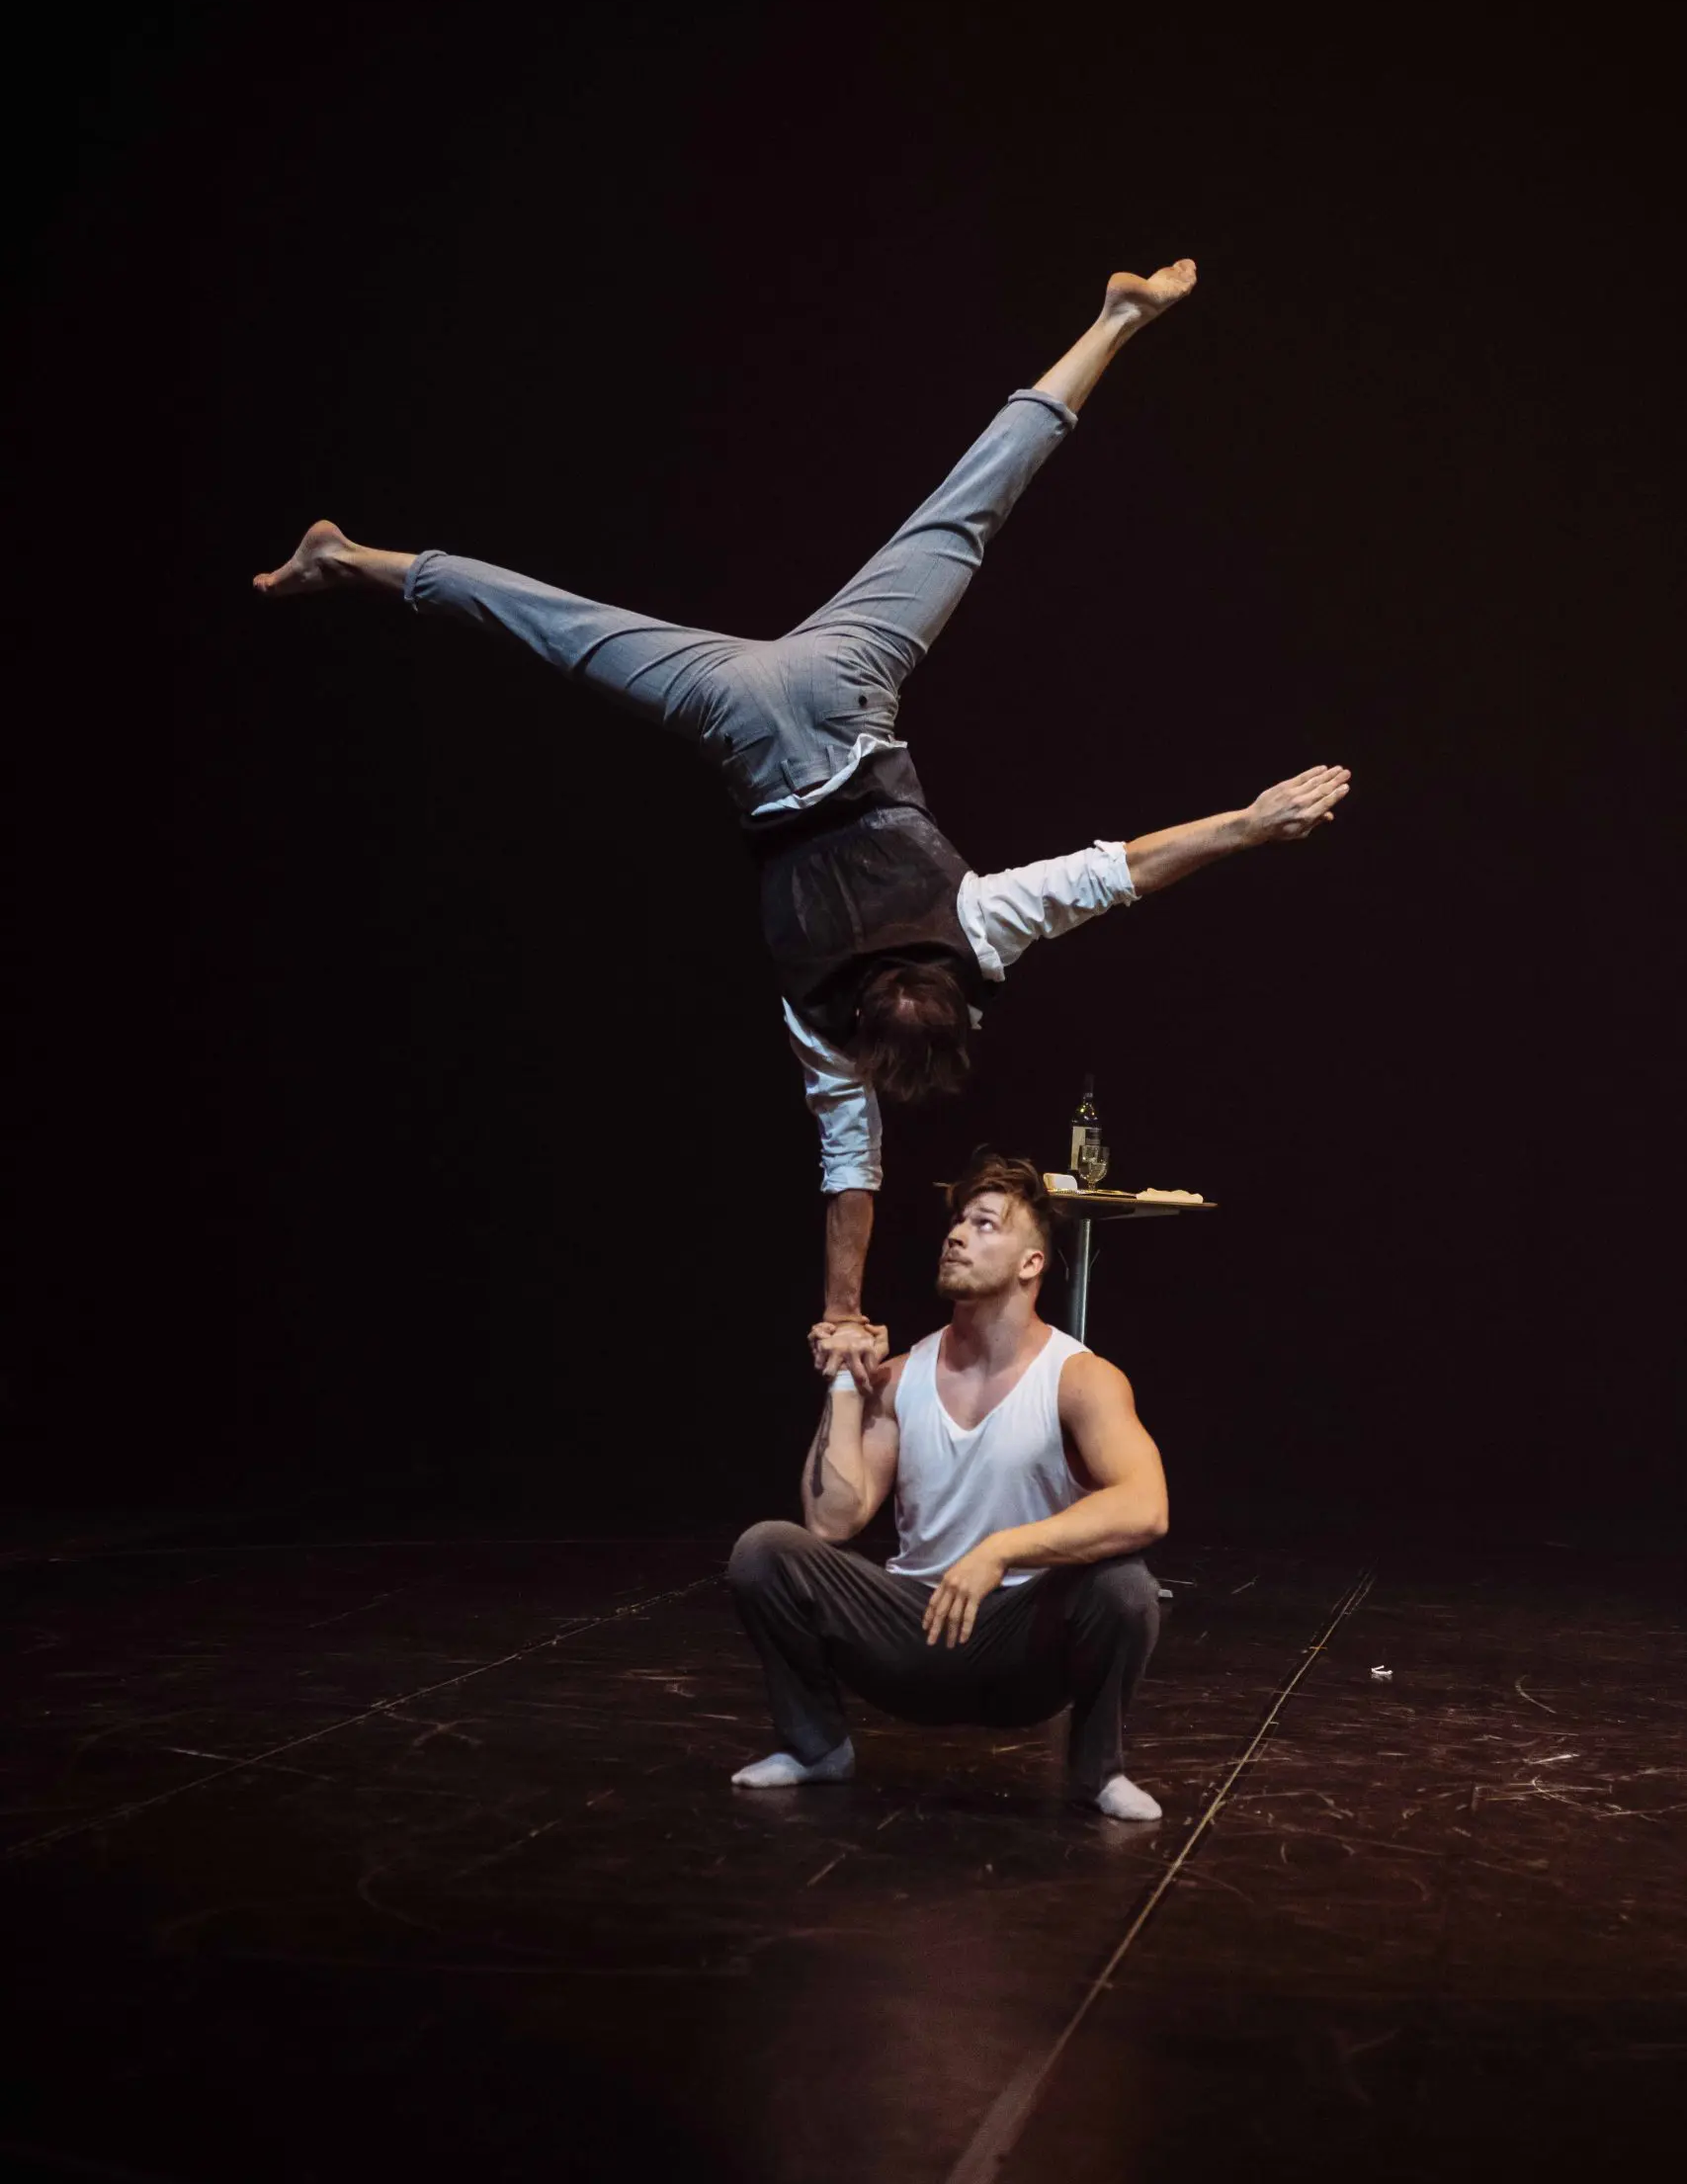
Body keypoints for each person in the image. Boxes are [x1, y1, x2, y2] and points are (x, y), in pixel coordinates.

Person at [253, 264, 1350, 1363]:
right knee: (563, 629)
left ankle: (1113, 320)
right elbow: (849, 1173)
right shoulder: (822, 1020)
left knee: (967, 509)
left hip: (846, 685)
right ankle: (350, 561)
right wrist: (837, 1304)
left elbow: (1121, 868)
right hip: (744, 723)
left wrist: (1249, 824)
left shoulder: (975, 929)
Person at [726, 1151, 1169, 1821]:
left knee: (1125, 1588)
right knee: (765, 1549)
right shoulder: (902, 1375)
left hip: (1023, 1647)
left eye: (986, 1224)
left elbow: (1146, 1505)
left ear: (1031, 1263)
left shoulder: (1080, 1378)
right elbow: (830, 1522)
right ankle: (815, 1746)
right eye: (958, 1222)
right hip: (911, 1636)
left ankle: (1094, 1772)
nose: (957, 1234)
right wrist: (847, 1379)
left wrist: (1000, 1551)